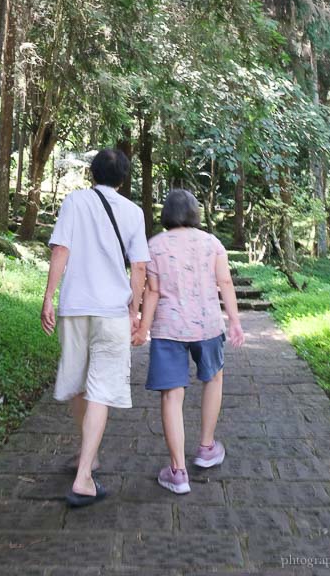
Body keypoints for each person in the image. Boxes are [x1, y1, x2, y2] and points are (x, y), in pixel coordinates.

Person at [41, 148, 150, 507]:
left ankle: (89, 459)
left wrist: (48, 298)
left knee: (78, 384)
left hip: (75, 308)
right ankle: (85, 473)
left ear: (93, 173)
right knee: (100, 389)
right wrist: (134, 311)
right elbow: (139, 269)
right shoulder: (133, 212)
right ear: (123, 179)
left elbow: (60, 250)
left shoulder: (75, 202)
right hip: (112, 312)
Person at [132, 188, 245, 494]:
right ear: (195, 212)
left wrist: (143, 328)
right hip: (207, 325)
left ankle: (178, 471)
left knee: (171, 395)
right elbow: (224, 282)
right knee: (214, 378)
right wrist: (234, 321)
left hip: (168, 329)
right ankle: (207, 447)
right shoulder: (211, 242)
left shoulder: (153, 245)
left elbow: (151, 292)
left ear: (165, 213)